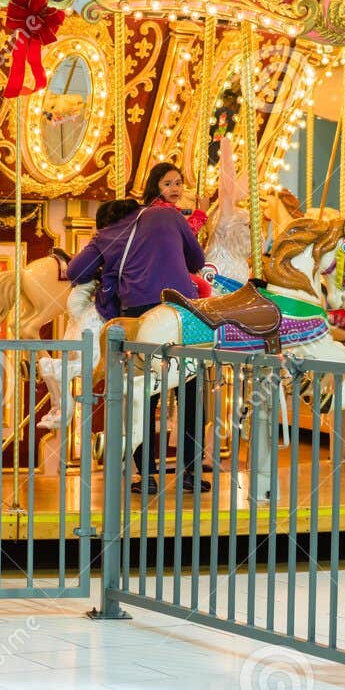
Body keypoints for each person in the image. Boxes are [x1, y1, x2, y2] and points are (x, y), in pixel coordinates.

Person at [67, 196, 210, 495]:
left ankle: (146, 476)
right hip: (183, 310)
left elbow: (76, 271)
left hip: (140, 313)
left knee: (144, 395)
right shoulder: (169, 216)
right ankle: (191, 472)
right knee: (191, 393)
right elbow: (197, 260)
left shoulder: (106, 234)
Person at [141, 161, 211, 297]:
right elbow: (187, 232)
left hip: (158, 266)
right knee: (204, 288)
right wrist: (202, 211)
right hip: (164, 268)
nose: (174, 189)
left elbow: (182, 220)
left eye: (178, 183)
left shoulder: (155, 207)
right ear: (155, 186)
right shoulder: (164, 211)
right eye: (167, 184)